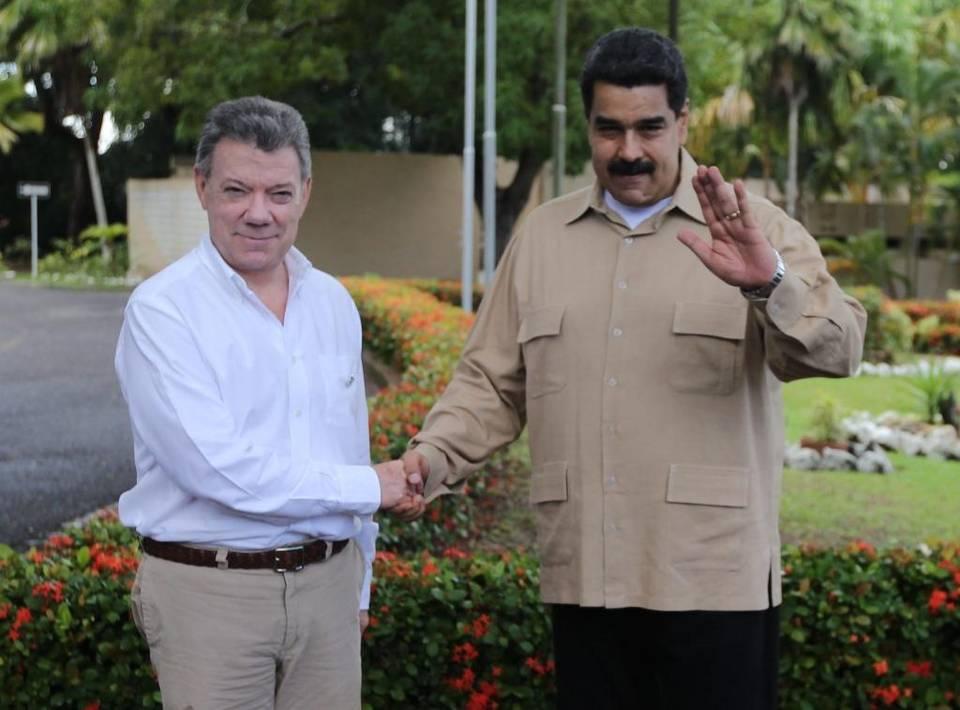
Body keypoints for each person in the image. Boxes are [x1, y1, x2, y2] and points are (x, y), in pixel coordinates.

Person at [402, 28, 866, 710]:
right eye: (608, 130)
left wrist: (768, 280)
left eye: (650, 128)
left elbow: (841, 346)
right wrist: (429, 459)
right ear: (587, 125)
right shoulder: (541, 238)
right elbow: (491, 383)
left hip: (715, 583)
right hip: (588, 577)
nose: (629, 151)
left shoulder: (750, 226)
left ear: (682, 121)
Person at [115, 96, 423, 709]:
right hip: (210, 594)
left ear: (306, 192)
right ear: (201, 187)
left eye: (279, 194)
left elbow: (345, 442)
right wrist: (371, 486)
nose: (259, 214)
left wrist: (358, 588)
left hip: (329, 592)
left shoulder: (332, 302)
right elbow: (215, 467)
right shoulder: (161, 310)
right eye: (237, 191)